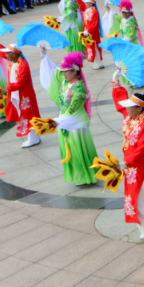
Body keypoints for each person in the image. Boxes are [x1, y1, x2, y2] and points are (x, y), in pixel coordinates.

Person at [110, 83, 144, 245]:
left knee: (141, 200)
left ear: (139, 108)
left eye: (129, 106)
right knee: (133, 199)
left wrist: (125, 163)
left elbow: (142, 148)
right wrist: (116, 84)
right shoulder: (130, 118)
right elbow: (119, 104)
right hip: (129, 166)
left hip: (139, 166)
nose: (126, 109)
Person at [41, 50, 100, 186]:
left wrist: (57, 122)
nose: (63, 74)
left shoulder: (78, 88)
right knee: (70, 150)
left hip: (75, 124)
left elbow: (73, 109)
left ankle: (84, 177)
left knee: (77, 150)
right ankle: (77, 175)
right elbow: (53, 72)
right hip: (64, 120)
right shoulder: (65, 82)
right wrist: (44, 57)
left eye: (66, 71)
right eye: (63, 72)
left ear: (74, 71)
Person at [80, 0, 105, 70]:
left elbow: (95, 24)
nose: (86, 3)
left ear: (91, 3)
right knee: (91, 48)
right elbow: (81, 6)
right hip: (87, 32)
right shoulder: (87, 10)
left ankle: (100, 63)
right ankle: (98, 62)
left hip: (92, 33)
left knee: (95, 48)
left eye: (87, 2)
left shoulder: (94, 11)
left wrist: (88, 31)